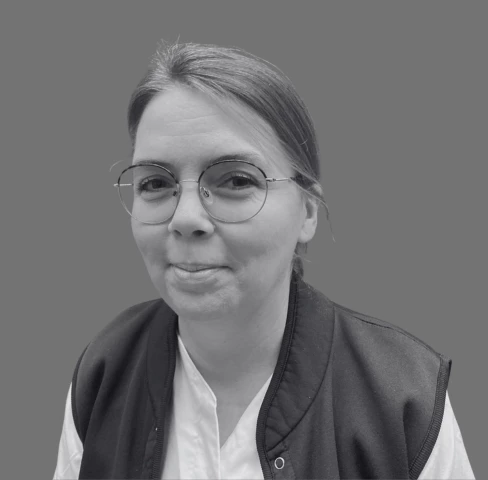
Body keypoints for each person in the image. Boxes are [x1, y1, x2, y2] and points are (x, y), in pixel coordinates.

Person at [53, 41, 475, 479]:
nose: (186, 219)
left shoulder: (402, 397)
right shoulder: (104, 373)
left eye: (237, 180)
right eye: (155, 183)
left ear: (307, 212)